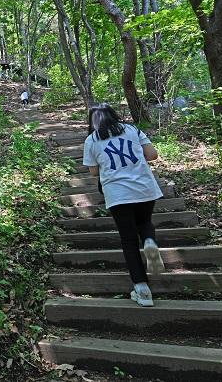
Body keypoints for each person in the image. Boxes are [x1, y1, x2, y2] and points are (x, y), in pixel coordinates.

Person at [82, 103, 165, 307]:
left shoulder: (92, 140)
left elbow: (93, 172)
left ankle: (142, 290)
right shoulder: (132, 129)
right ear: (113, 115)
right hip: (144, 187)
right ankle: (150, 243)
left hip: (117, 193)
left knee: (128, 240)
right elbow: (153, 155)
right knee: (145, 221)